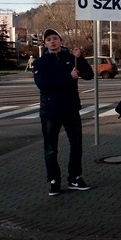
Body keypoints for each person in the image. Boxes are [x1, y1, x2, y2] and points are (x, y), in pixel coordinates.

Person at [32, 28, 94, 196]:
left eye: (55, 38)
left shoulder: (70, 58)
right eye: (49, 39)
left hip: (71, 109)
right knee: (51, 149)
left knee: (76, 145)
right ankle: (54, 181)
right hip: (50, 112)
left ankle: (74, 178)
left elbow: (89, 75)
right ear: (45, 43)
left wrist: (80, 58)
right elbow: (44, 84)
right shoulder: (40, 62)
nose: (52, 41)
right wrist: (69, 78)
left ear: (61, 41)